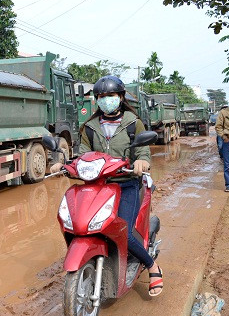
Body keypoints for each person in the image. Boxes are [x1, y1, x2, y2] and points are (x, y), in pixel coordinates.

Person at [50, 75, 163, 296]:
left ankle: (152, 266)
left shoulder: (132, 122)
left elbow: (142, 150)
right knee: (78, 223)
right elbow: (83, 156)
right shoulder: (90, 127)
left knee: (124, 232)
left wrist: (142, 162)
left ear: (120, 97)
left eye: (110, 96)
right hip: (97, 185)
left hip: (126, 183)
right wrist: (65, 165)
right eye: (101, 97)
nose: (106, 100)